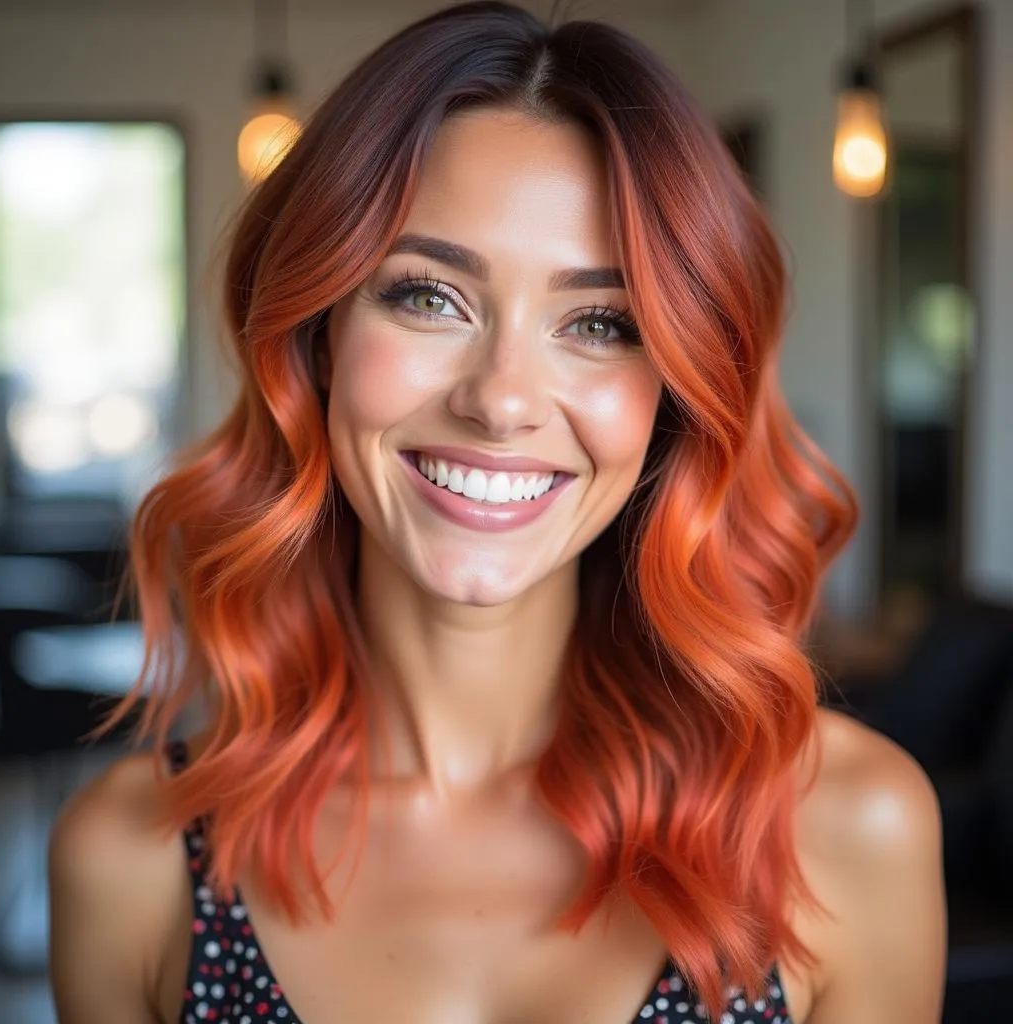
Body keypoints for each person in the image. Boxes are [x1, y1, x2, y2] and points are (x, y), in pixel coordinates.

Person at [48, 3, 947, 1022]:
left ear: (676, 394)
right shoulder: (134, 863)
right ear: (316, 338)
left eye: (600, 322)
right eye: (429, 296)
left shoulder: (843, 829)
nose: (502, 398)